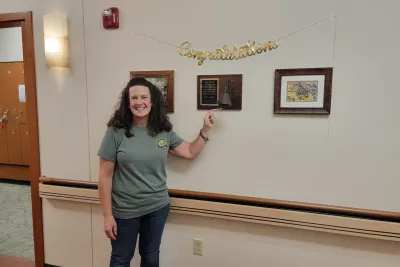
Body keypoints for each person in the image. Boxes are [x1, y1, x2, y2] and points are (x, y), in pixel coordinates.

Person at [97, 77, 216, 267]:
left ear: (152, 102)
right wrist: (107, 215)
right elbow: (105, 175)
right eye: (134, 98)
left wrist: (205, 130)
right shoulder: (116, 132)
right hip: (125, 210)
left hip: (157, 207)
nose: (139, 102)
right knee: (120, 259)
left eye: (144, 97)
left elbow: (190, 151)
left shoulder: (163, 131)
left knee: (151, 255)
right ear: (128, 104)